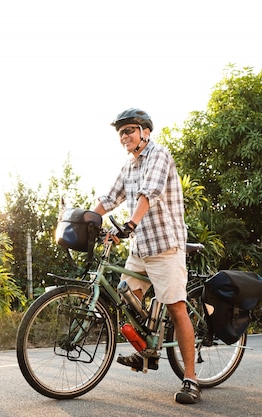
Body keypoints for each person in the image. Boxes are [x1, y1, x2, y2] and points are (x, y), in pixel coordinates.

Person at [92, 108, 201, 405]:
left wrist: (130, 224)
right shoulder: (129, 166)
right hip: (140, 248)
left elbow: (149, 194)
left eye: (129, 130)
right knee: (128, 298)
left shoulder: (159, 155)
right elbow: (110, 198)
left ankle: (190, 379)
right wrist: (87, 218)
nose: (124, 136)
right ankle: (148, 352)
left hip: (165, 246)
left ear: (145, 132)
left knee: (177, 308)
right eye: (120, 133)